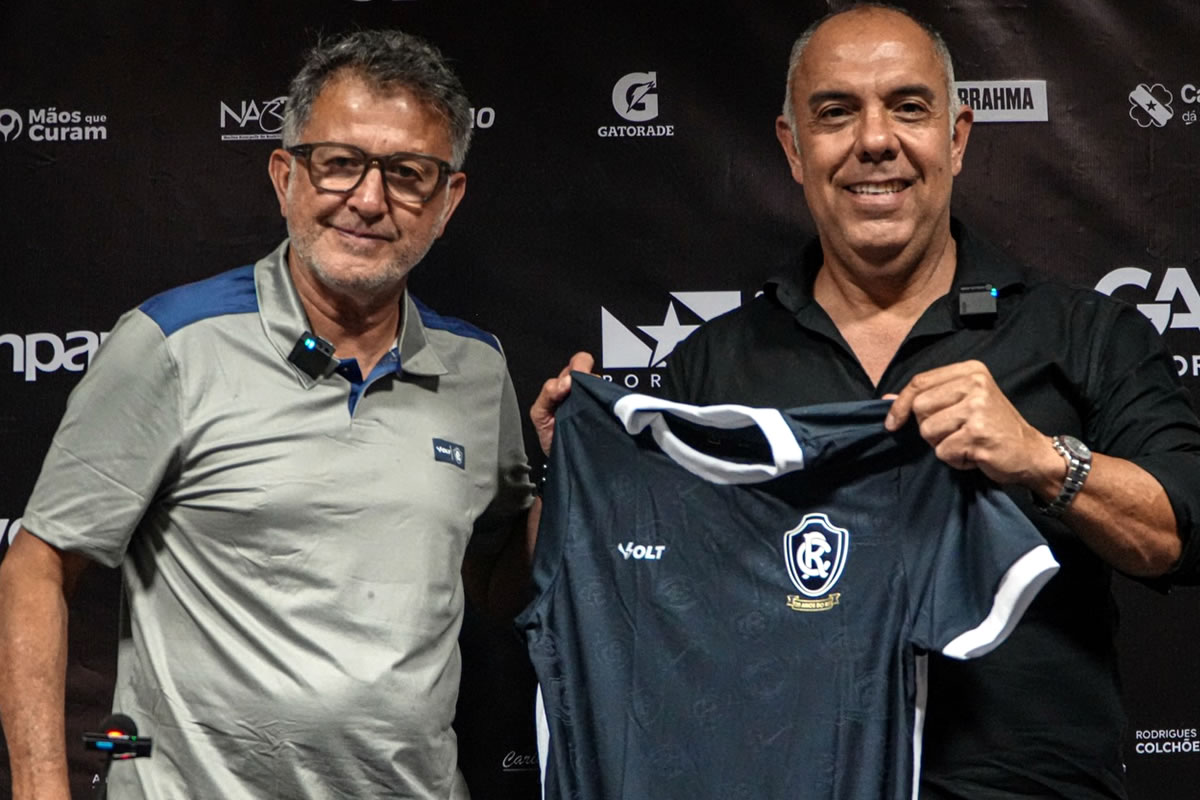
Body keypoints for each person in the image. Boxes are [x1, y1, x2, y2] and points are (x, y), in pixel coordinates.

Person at [533, 4, 1200, 798]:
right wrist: (584, 479)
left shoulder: (1084, 333)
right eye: (835, 113)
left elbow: (1181, 533)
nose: (875, 140)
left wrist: (1041, 459)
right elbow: (630, 595)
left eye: (908, 107)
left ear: (957, 136)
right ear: (793, 148)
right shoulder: (714, 366)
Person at [0, 29, 535, 800]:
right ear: (286, 176)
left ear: (446, 201)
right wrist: (39, 786)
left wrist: (569, 475)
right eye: (340, 163)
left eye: (407, 174)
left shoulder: (478, 370)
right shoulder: (172, 345)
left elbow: (496, 584)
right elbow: (37, 564)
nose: (369, 200)